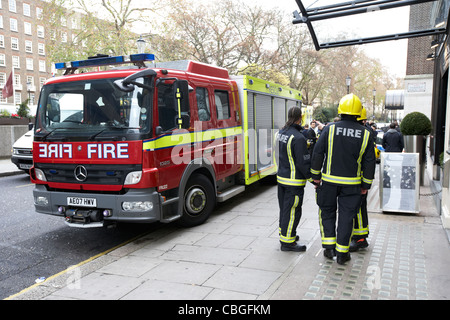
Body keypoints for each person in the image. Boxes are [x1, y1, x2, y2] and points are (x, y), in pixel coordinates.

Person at [311, 94, 376, 265]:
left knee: (327, 212)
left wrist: (316, 178)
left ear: (340, 111)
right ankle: (342, 253)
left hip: (329, 182)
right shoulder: (366, 134)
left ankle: (329, 248)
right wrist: (366, 185)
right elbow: (370, 162)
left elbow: (318, 153)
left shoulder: (329, 129)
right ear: (358, 113)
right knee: (347, 217)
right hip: (352, 185)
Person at [275, 106, 311, 252]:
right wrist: (312, 178)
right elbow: (303, 162)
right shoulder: (299, 138)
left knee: (284, 209)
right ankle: (288, 242)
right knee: (293, 211)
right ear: (300, 118)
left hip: (282, 178)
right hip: (294, 182)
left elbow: (277, 154)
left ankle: (285, 233)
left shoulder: (280, 133)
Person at [350, 107, 374, 252]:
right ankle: (359, 236)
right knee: (358, 208)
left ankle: (360, 238)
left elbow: (368, 161)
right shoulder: (364, 132)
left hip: (359, 179)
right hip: (360, 178)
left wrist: (365, 183)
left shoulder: (365, 133)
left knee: (358, 208)